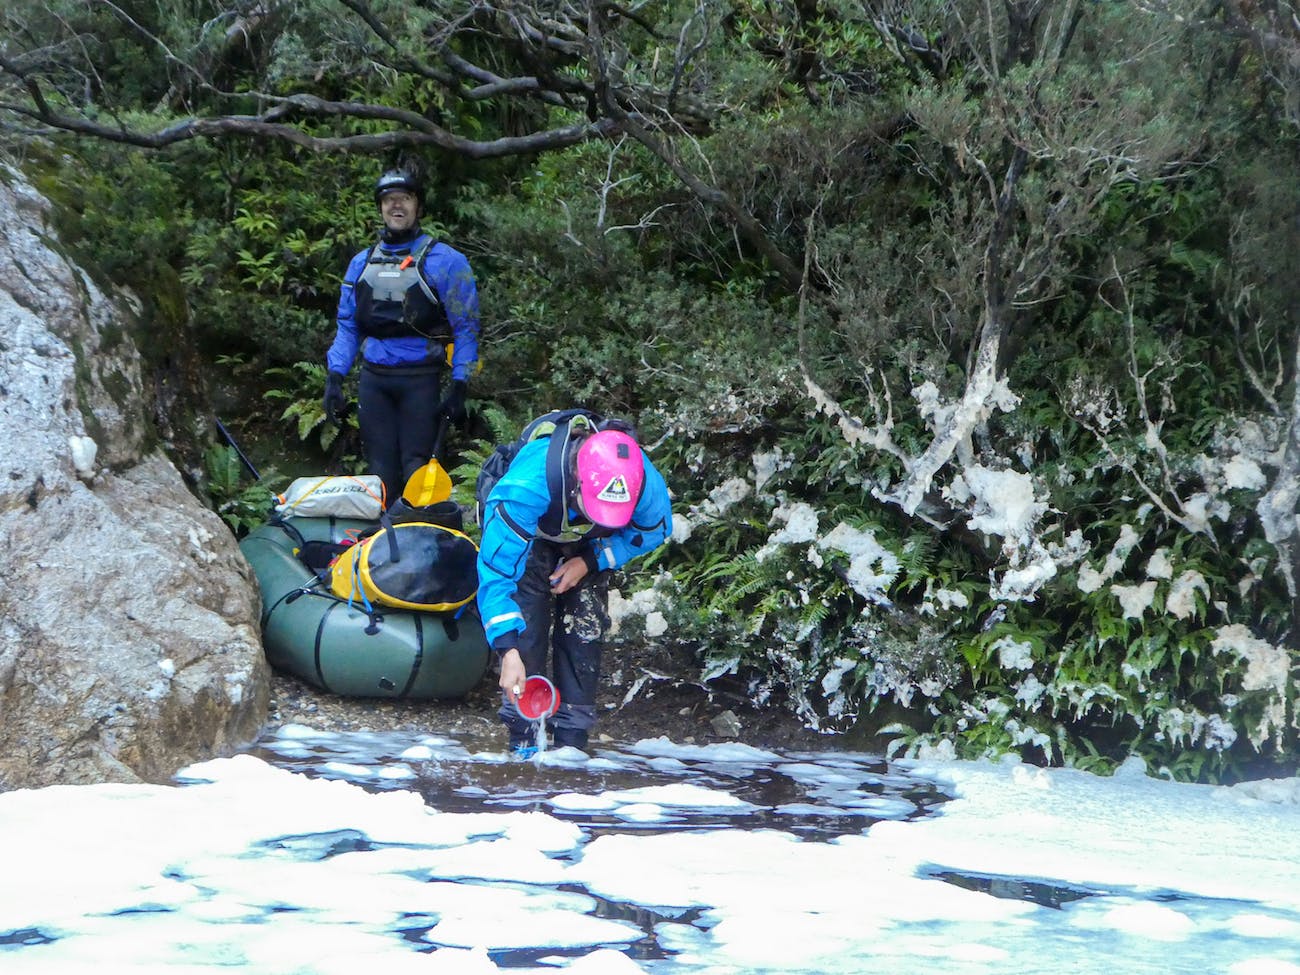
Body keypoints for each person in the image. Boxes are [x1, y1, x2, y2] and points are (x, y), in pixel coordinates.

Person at [476, 421, 673, 756]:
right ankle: (522, 746)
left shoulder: (643, 483)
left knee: (584, 630)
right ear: (578, 482)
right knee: (527, 630)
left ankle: (573, 749)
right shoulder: (527, 487)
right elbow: (496, 574)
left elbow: (653, 531)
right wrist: (507, 650)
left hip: (590, 546)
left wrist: (592, 560)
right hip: (531, 534)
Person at [322, 168, 479, 507]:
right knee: (380, 472)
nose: (396, 206)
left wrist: (460, 383)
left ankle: (418, 542)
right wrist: (335, 376)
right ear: (380, 208)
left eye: (404, 198)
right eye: (388, 200)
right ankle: (382, 548)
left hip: (420, 381)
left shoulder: (448, 262)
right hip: (374, 381)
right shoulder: (360, 264)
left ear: (417, 206)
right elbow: (348, 326)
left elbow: (466, 328)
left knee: (415, 469)